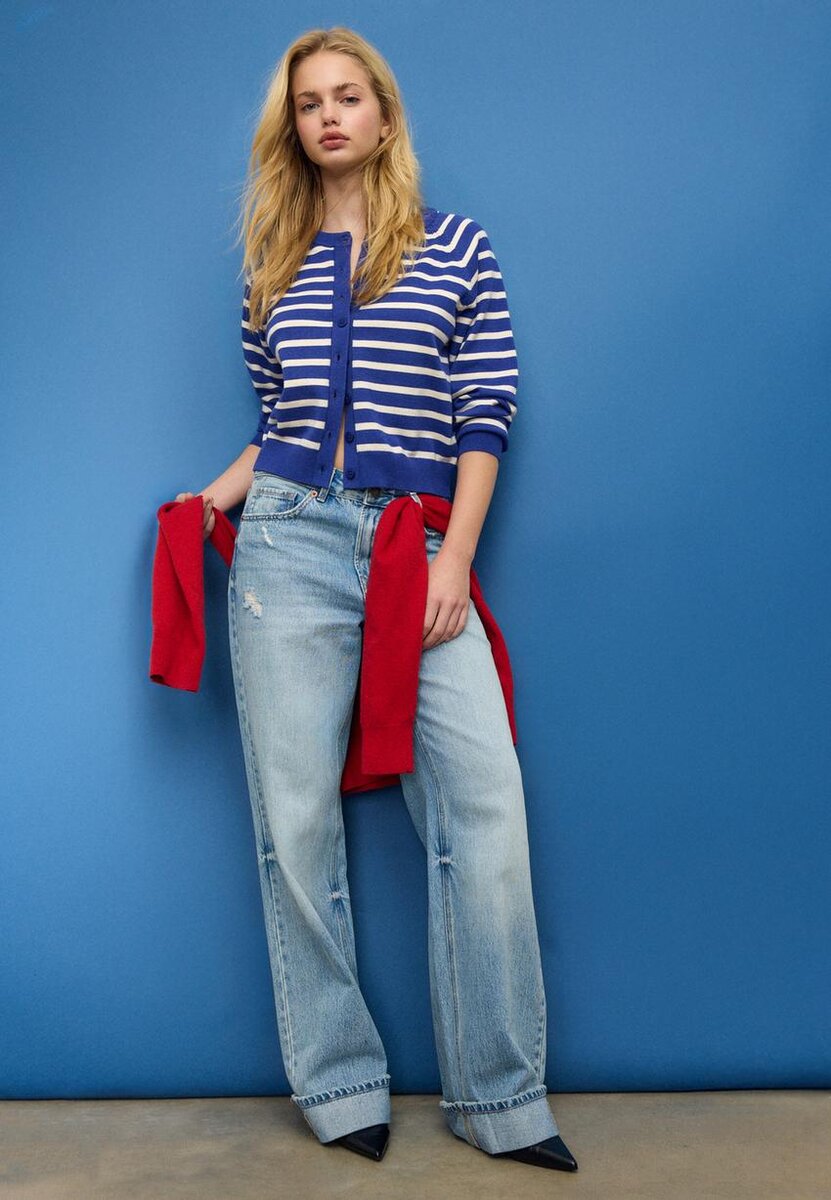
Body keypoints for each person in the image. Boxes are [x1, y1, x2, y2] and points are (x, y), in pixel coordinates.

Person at [173, 26, 578, 1173]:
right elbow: (280, 427)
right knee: (295, 823)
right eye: (310, 103)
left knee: (483, 807)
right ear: (294, 128)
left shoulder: (457, 249)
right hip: (287, 546)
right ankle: (340, 1079)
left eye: (349, 97)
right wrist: (209, 500)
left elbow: (485, 412)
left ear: (385, 116)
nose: (330, 116)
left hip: (418, 546)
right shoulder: (272, 263)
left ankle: (501, 1097)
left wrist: (456, 562)